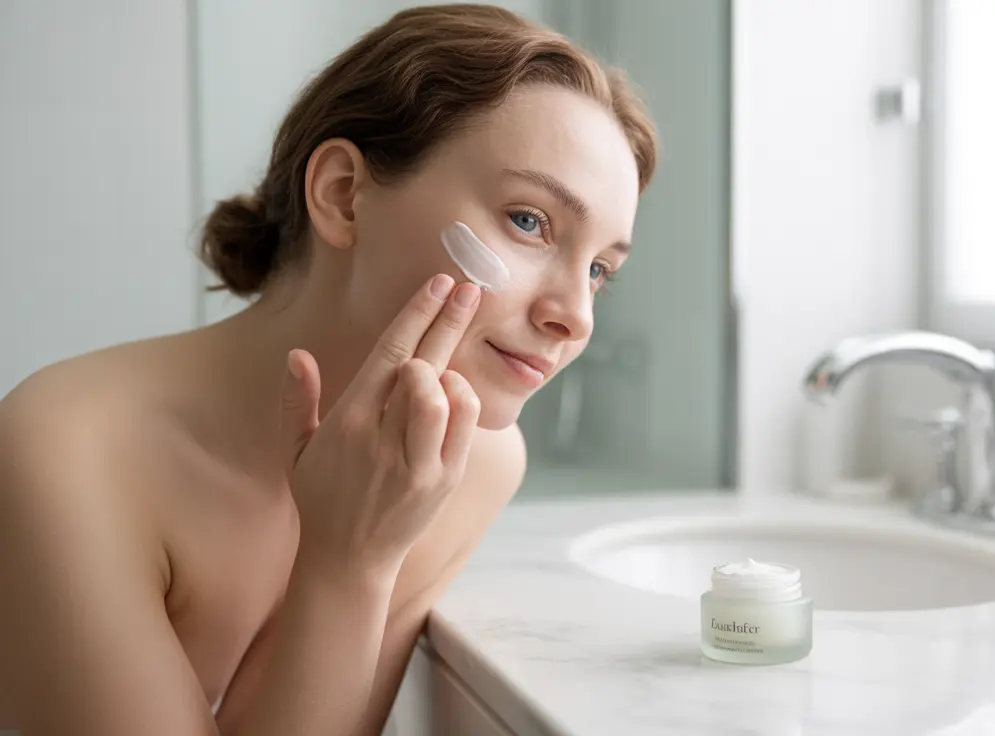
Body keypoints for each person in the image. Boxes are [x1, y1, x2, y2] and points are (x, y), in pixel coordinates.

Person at [0, 4, 657, 734]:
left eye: (599, 270)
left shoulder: (471, 459)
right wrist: (348, 561)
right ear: (344, 194)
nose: (576, 316)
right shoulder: (65, 449)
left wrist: (356, 563)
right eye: (529, 221)